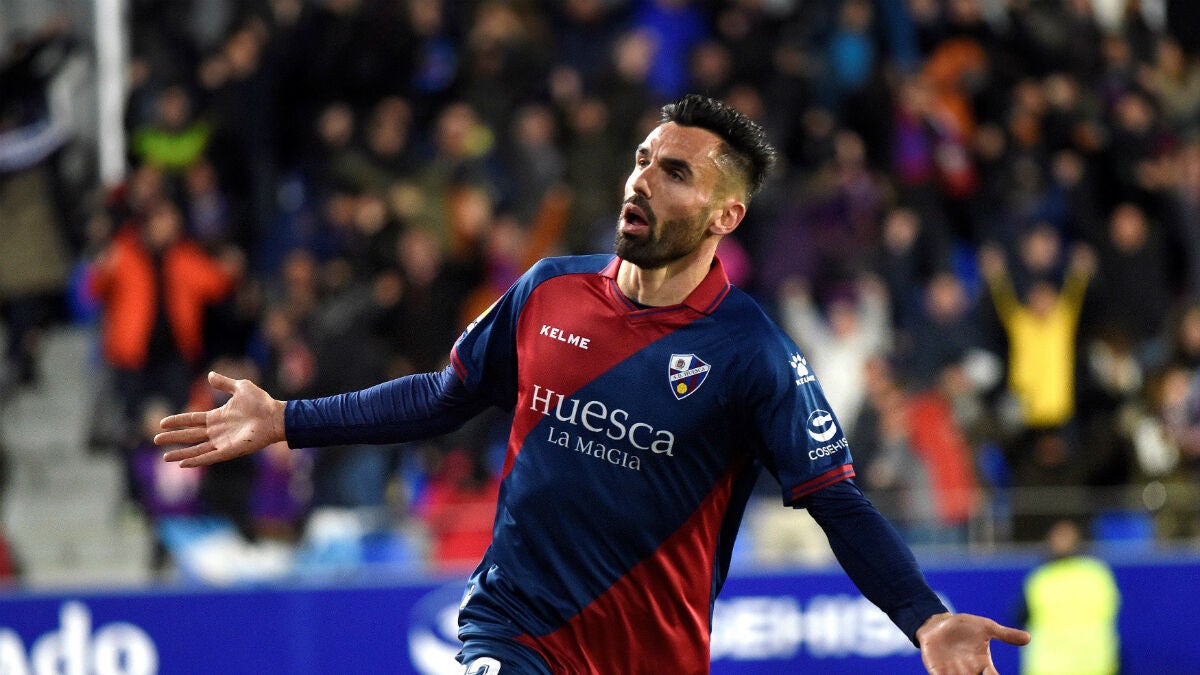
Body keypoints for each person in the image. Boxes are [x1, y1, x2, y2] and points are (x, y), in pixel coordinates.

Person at [156, 95, 1029, 674]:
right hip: (513, 627)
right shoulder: (548, 291)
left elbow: (837, 501)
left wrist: (925, 617)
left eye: (676, 172)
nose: (641, 178)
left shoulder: (751, 354)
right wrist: (288, 418)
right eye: (644, 158)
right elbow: (441, 395)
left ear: (726, 216)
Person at [1016, 518, 1121, 675]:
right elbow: (1113, 607)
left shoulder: (1042, 578)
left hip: (1049, 666)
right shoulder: (1098, 574)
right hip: (1095, 664)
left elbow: (1019, 617)